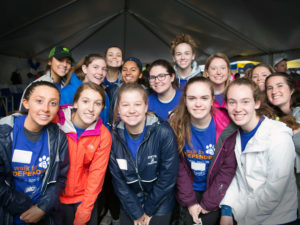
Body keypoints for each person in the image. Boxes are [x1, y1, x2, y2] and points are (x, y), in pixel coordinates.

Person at [220, 78, 298, 225]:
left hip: (277, 219)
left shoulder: (277, 136)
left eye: (245, 101)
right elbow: (236, 177)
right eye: (232, 102)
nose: (238, 108)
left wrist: (244, 218)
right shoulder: (234, 135)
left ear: (256, 103)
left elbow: (274, 191)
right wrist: (227, 210)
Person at [170, 77, 238, 225]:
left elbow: (227, 169)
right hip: (189, 188)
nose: (198, 104)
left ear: (212, 100)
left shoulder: (228, 126)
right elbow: (179, 167)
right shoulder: (176, 126)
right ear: (185, 100)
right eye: (192, 98)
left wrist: (208, 203)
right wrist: (190, 202)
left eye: (204, 98)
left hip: (216, 188)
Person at [0, 81, 69, 225]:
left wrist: (42, 208)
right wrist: (24, 205)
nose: (45, 109)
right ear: (26, 103)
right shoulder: (4, 132)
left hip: (44, 212)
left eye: (53, 103)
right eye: (39, 101)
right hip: (10, 212)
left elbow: (60, 179)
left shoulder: (58, 137)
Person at [109, 83, 179, 225]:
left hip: (160, 201)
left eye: (137, 104)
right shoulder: (113, 137)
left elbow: (168, 177)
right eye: (125, 105)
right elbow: (118, 182)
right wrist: (136, 212)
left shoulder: (163, 132)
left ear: (146, 106)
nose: (131, 110)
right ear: (118, 109)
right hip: (130, 201)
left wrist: (148, 210)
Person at [57, 82, 112, 225]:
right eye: (85, 101)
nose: (91, 109)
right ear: (75, 103)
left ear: (103, 108)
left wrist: (86, 208)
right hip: (55, 196)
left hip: (84, 197)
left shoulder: (103, 135)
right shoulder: (56, 122)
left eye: (97, 103)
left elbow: (97, 174)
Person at [265, 72, 300, 218]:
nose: (274, 91)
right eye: (270, 88)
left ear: (291, 89)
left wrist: (292, 135)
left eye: (280, 86)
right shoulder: (275, 118)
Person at [60, 54, 110, 127]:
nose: (100, 72)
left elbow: (105, 123)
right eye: (95, 67)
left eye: (104, 69)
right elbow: (61, 124)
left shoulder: (104, 94)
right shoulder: (67, 92)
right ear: (85, 69)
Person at [19, 46, 73, 110]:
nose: (65, 65)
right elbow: (23, 113)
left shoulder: (68, 85)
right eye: (60, 60)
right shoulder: (37, 86)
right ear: (49, 61)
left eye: (68, 62)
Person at [106, 56, 145, 125]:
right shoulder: (112, 90)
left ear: (140, 75)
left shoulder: (147, 93)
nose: (128, 73)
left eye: (133, 70)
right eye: (124, 70)